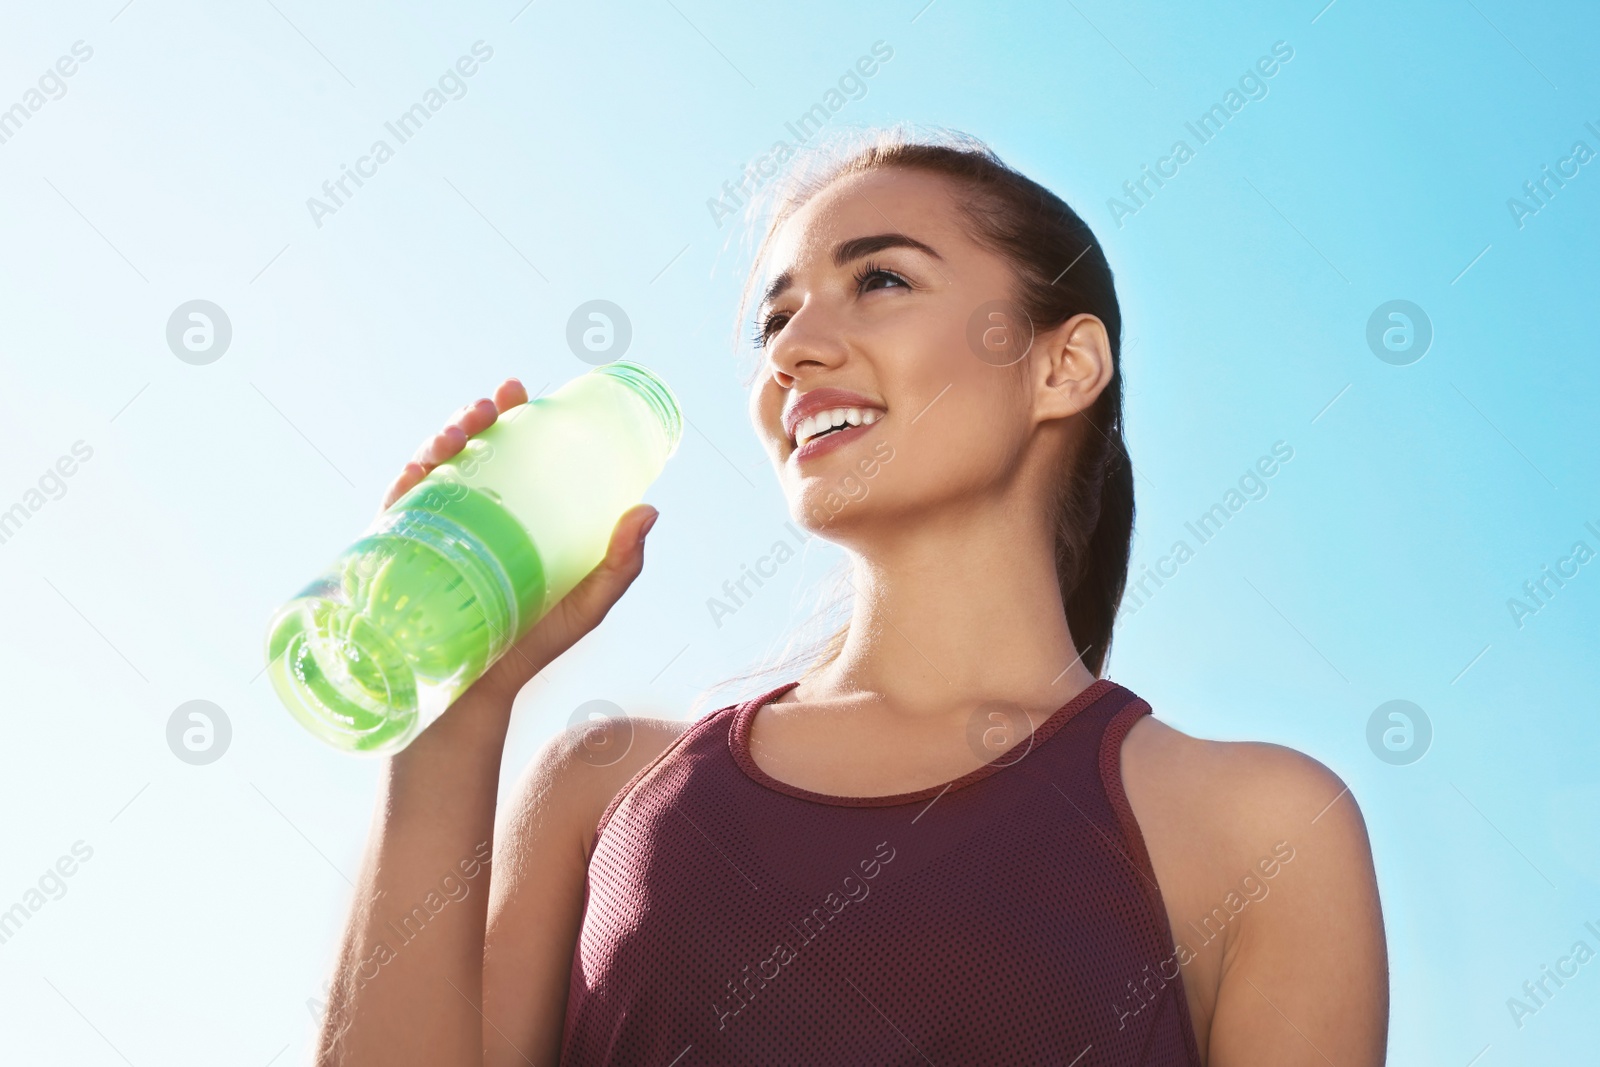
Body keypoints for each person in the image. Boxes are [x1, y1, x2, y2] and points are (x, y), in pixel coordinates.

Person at [314, 130, 1388, 1066]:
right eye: (771, 321)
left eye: (880, 281)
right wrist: (449, 711)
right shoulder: (608, 787)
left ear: (1063, 367)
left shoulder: (1256, 829)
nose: (792, 348)